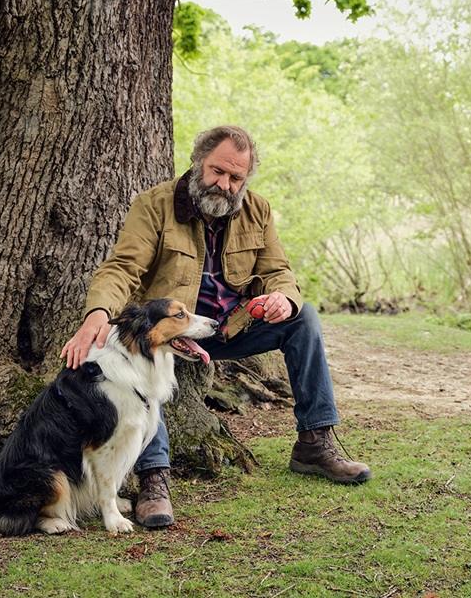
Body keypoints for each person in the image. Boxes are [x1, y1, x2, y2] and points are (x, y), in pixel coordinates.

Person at [61, 125, 371, 529]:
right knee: (135, 374)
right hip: (172, 334)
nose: (224, 184)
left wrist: (282, 298)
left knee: (305, 317)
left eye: (236, 177)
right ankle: (153, 477)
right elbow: (122, 267)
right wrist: (98, 314)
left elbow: (278, 271)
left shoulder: (257, 210)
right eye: (217, 171)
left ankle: (314, 444)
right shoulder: (154, 205)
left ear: (246, 179)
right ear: (197, 163)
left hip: (229, 328)